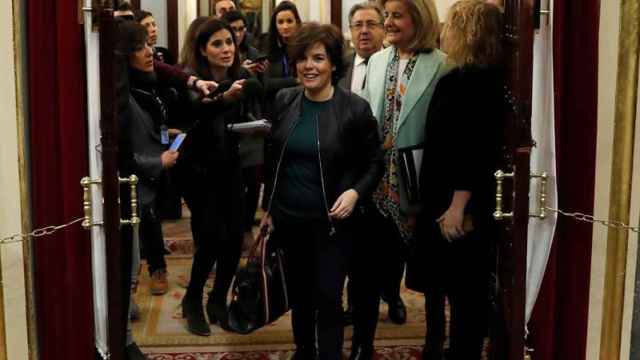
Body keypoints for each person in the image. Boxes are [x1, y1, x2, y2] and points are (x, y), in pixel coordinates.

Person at [260, 22, 383, 360]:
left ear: (332, 65)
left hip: (332, 224)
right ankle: (303, 351)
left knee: (328, 296)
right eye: (302, 58)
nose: (308, 66)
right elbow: (273, 159)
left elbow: (375, 163)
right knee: (299, 296)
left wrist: (356, 192)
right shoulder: (285, 100)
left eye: (318, 58)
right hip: (289, 219)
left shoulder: (355, 109)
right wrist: (267, 208)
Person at [410, 1, 504, 359]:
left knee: (466, 294)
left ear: (469, 33)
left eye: (452, 26)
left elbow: (473, 150)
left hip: (458, 205)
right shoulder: (470, 77)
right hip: (449, 198)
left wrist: (459, 207)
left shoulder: (472, 83)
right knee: (456, 289)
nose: (444, 32)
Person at [361, 0, 447, 327]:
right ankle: (365, 331)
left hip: (417, 176)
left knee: (414, 257)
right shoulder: (377, 60)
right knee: (370, 255)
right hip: (376, 174)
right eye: (388, 15)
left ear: (419, 17)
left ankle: (427, 331)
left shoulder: (443, 65)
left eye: (397, 15)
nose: (389, 22)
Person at [177, 18, 261, 337]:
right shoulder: (189, 79)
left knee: (234, 237)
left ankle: (217, 299)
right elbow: (193, 116)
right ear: (202, 48)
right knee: (211, 237)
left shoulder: (240, 75)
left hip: (231, 166)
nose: (227, 49)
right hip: (197, 171)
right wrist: (223, 100)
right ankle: (192, 299)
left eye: (229, 41)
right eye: (217, 43)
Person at [116, 19, 180, 360]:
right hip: (128, 191)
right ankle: (122, 338)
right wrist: (159, 161)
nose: (148, 51)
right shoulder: (119, 95)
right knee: (126, 262)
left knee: (132, 261)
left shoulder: (142, 85)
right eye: (140, 47)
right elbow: (124, 153)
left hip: (141, 193)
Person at [337, 1, 386, 333]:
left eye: (371, 23)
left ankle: (389, 295)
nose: (365, 30)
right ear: (350, 31)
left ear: (383, 29)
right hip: (345, 175)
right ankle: (349, 306)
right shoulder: (337, 68)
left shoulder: (395, 66)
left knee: (381, 252)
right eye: (358, 25)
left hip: (386, 172)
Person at [262, 0, 301, 120]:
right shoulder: (267, 46)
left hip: (300, 107)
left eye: (289, 21)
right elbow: (267, 84)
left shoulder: (306, 46)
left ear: (297, 23)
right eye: (280, 22)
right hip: (276, 110)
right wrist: (295, 80)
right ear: (275, 25)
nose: (285, 26)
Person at [223, 10, 268, 76]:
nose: (237, 34)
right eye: (233, 29)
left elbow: (262, 84)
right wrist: (242, 71)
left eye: (241, 29)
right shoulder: (222, 52)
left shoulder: (252, 53)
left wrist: (261, 72)